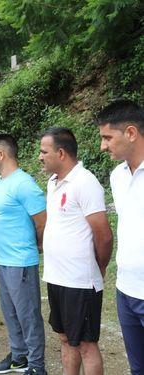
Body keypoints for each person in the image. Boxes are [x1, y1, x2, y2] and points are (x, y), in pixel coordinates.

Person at [39, 127, 113, 375]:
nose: (40, 156)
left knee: (85, 344)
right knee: (64, 337)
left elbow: (103, 234)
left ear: (61, 153)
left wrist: (99, 268)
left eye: (43, 151)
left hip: (80, 280)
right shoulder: (53, 182)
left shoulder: (85, 182)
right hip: (56, 276)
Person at [0, 134, 47, 375]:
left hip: (21, 261)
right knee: (10, 313)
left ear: (1, 154)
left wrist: (37, 245)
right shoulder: (0, 182)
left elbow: (42, 222)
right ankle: (19, 356)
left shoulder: (24, 183)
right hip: (3, 260)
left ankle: (36, 365)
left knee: (28, 315)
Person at [96, 99, 144, 375]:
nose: (103, 145)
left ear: (130, 133)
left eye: (107, 137)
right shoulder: (117, 176)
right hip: (126, 290)